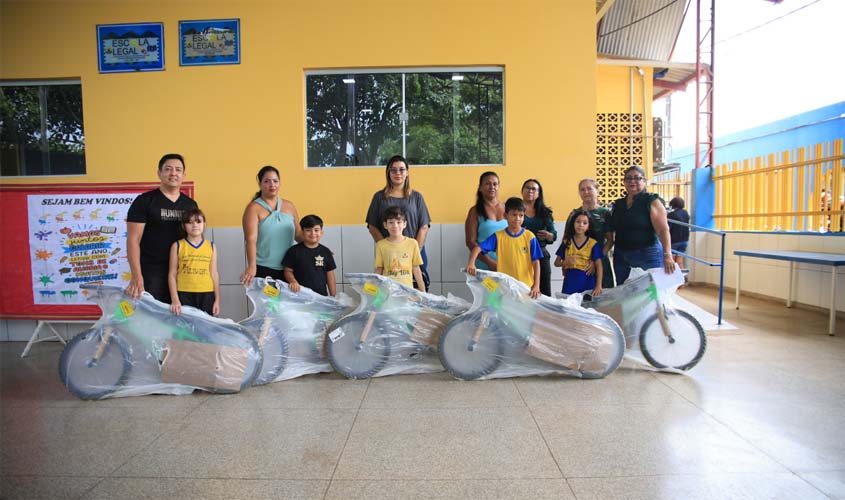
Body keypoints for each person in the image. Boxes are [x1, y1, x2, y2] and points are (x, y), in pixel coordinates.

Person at [126, 153, 198, 302]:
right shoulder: (144, 201)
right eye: (168, 169)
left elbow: (196, 239)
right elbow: (133, 241)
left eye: (178, 170)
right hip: (152, 272)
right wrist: (136, 275)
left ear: (184, 175)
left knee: (181, 318)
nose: (173, 173)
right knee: (152, 319)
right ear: (159, 173)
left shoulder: (190, 205)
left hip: (182, 272)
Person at [365, 155, 431, 290]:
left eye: (401, 169)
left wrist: (411, 251)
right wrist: (387, 248)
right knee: (388, 293)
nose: (398, 173)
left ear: (407, 172)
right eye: (393, 170)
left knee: (416, 294)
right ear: (388, 173)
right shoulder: (379, 197)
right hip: (389, 254)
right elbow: (372, 226)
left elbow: (424, 226)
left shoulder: (416, 197)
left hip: (414, 250)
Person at [607, 166, 675, 284]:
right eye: (628, 178)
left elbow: (663, 230)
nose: (632, 181)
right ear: (624, 182)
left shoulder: (652, 201)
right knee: (624, 293)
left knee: (652, 292)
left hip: (647, 253)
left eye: (637, 178)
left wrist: (667, 255)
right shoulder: (619, 204)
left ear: (644, 180)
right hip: (621, 256)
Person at [467, 197, 543, 298]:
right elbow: (477, 248)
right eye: (514, 215)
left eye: (521, 215)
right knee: (498, 308)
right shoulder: (498, 237)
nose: (517, 219)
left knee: (524, 313)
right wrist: (471, 263)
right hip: (505, 289)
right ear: (506, 215)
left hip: (526, 288)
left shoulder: (530, 237)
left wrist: (536, 285)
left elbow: (536, 262)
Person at [240, 166, 302, 285]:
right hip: (264, 268)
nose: (272, 184)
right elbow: (251, 239)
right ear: (260, 184)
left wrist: (318, 248)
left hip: (288, 269)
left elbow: (298, 234)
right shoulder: (253, 208)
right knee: (270, 304)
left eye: (275, 181)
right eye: (267, 181)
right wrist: (252, 266)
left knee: (288, 304)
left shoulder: (289, 206)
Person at [167, 208, 220, 316]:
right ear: (184, 226)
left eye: (198, 221)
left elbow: (214, 274)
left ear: (204, 224)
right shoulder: (177, 246)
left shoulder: (211, 246)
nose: (195, 225)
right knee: (185, 330)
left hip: (207, 294)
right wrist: (175, 299)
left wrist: (217, 299)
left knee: (205, 330)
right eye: (190, 222)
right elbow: (172, 274)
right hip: (184, 293)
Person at [566, 178, 614, 289]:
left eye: (589, 188)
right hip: (578, 263)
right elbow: (567, 239)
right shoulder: (574, 214)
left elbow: (610, 240)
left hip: (601, 261)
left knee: (604, 301)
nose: (586, 192)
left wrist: (596, 259)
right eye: (582, 189)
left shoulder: (605, 213)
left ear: (597, 191)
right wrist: (566, 263)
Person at [282, 214, 337, 297]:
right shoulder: (293, 251)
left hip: (321, 297)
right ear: (302, 232)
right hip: (299, 297)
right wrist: (293, 281)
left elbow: (330, 276)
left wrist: (334, 297)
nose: (312, 233)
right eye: (308, 230)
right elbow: (287, 271)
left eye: (316, 230)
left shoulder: (326, 252)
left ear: (321, 232)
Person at [375, 206, 425, 291]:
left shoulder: (412, 243)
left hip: (407, 292)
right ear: (385, 225)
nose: (395, 225)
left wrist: (423, 291)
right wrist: (374, 290)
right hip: (388, 292)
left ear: (404, 224)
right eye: (391, 222)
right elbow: (379, 269)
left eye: (399, 222)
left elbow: (416, 268)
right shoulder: (381, 245)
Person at [521, 179, 557, 296]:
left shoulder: (545, 212)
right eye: (527, 187)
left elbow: (553, 234)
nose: (530, 191)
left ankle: (543, 315)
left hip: (541, 254)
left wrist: (548, 235)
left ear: (538, 193)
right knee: (522, 291)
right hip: (520, 254)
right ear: (522, 191)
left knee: (544, 292)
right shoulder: (515, 210)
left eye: (534, 189)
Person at [554, 210, 603, 296]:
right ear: (573, 223)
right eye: (578, 222)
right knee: (569, 306)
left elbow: (599, 265)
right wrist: (565, 262)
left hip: (587, 280)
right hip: (570, 280)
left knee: (586, 307)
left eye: (585, 223)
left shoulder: (592, 243)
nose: (581, 225)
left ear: (589, 226)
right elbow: (556, 263)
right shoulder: (567, 242)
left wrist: (598, 285)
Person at [465, 171, 507, 271]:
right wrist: (489, 262)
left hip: (506, 265)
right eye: (487, 184)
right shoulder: (475, 211)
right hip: (483, 264)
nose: (492, 187)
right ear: (480, 188)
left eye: (495, 184)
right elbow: (470, 242)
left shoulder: (507, 208)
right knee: (487, 287)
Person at [667, 197, 690, 268]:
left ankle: (673, 278)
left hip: (674, 241)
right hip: (684, 240)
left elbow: (668, 228)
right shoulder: (686, 213)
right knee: (680, 261)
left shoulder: (671, 215)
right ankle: (681, 277)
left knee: (672, 261)